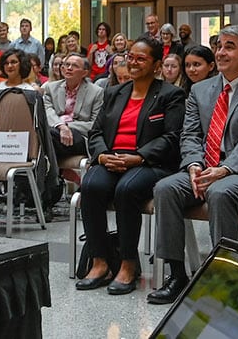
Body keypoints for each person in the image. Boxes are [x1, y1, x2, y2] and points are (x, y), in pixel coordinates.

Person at [149, 25, 238, 305]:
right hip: (206, 166)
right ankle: (177, 275)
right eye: (219, 45)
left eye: (229, 46)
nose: (221, 52)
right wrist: (193, 165)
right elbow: (190, 134)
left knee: (220, 191)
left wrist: (225, 169)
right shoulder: (200, 89)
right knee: (166, 188)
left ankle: (228, 277)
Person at [77, 37, 185, 295]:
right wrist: (102, 156)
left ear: (157, 65)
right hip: (112, 159)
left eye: (141, 58)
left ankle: (128, 263)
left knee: (126, 190)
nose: (133, 63)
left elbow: (172, 137)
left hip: (149, 163)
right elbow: (96, 132)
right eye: (130, 57)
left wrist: (139, 157)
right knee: (90, 185)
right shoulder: (115, 92)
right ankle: (100, 261)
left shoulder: (171, 95)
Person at [42, 54, 103, 160]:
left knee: (45, 136)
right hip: (55, 133)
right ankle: (53, 173)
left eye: (75, 66)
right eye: (67, 65)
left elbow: (95, 124)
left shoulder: (96, 92)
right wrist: (61, 126)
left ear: (84, 72)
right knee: (46, 136)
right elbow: (47, 111)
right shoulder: (51, 88)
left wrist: (67, 126)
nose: (69, 68)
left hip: (80, 136)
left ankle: (43, 173)